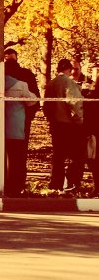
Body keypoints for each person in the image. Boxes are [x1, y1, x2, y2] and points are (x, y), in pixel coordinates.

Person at [45, 57, 85, 192]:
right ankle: (71, 184)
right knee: (75, 155)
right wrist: (80, 120)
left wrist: (51, 119)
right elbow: (74, 102)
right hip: (68, 125)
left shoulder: (51, 83)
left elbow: (46, 105)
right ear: (69, 69)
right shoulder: (68, 83)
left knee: (58, 155)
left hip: (55, 124)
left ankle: (55, 183)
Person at [5, 70, 38, 196]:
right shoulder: (20, 85)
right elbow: (32, 101)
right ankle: (14, 187)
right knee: (15, 159)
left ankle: (2, 184)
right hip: (15, 127)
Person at [4, 48, 40, 140]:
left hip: (0, 119)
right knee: (20, 148)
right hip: (21, 120)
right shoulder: (27, 75)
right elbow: (35, 99)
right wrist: (29, 116)